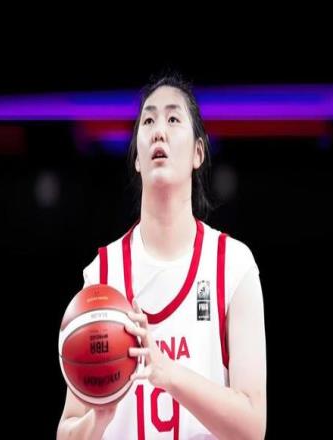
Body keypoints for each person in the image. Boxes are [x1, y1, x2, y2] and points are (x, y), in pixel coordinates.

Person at [57, 73, 267, 439]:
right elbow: (68, 429)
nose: (159, 132)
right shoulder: (102, 274)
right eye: (148, 121)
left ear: (198, 152)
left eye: (173, 119)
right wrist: (99, 416)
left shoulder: (233, 264)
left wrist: (167, 373)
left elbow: (252, 426)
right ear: (137, 158)